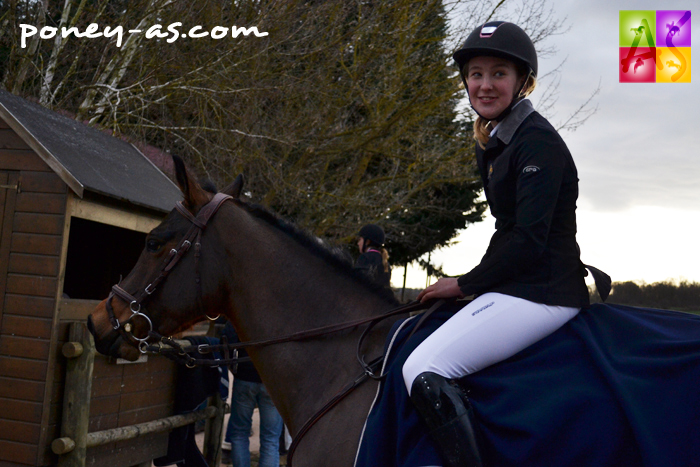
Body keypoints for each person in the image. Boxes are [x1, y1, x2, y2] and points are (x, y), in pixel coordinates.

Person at [401, 21, 592, 467]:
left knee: (423, 368)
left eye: (499, 73)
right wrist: (470, 282)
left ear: (523, 82)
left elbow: (528, 241)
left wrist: (466, 284)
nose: (485, 85)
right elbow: (505, 230)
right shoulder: (495, 139)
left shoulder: (537, 142)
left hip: (546, 292)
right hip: (519, 286)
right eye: (476, 74)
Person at [221, 322, 284, 467]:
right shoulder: (278, 313)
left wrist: (234, 367)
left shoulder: (245, 309)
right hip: (271, 381)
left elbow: (226, 337)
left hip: (244, 377)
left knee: (239, 433)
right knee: (271, 438)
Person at [354, 223, 392, 288]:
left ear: (367, 242)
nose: (358, 243)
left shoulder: (365, 258)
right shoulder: (385, 262)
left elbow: (357, 285)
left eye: (360, 240)